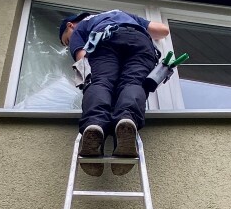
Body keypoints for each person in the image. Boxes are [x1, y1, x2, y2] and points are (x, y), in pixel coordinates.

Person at [59, 10, 170, 175]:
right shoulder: (123, 14)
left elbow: (84, 62)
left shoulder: (81, 27)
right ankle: (126, 119)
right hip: (140, 42)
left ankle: (95, 124)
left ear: (70, 25)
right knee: (133, 83)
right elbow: (162, 30)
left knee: (100, 82)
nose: (70, 43)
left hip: (104, 41)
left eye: (67, 40)